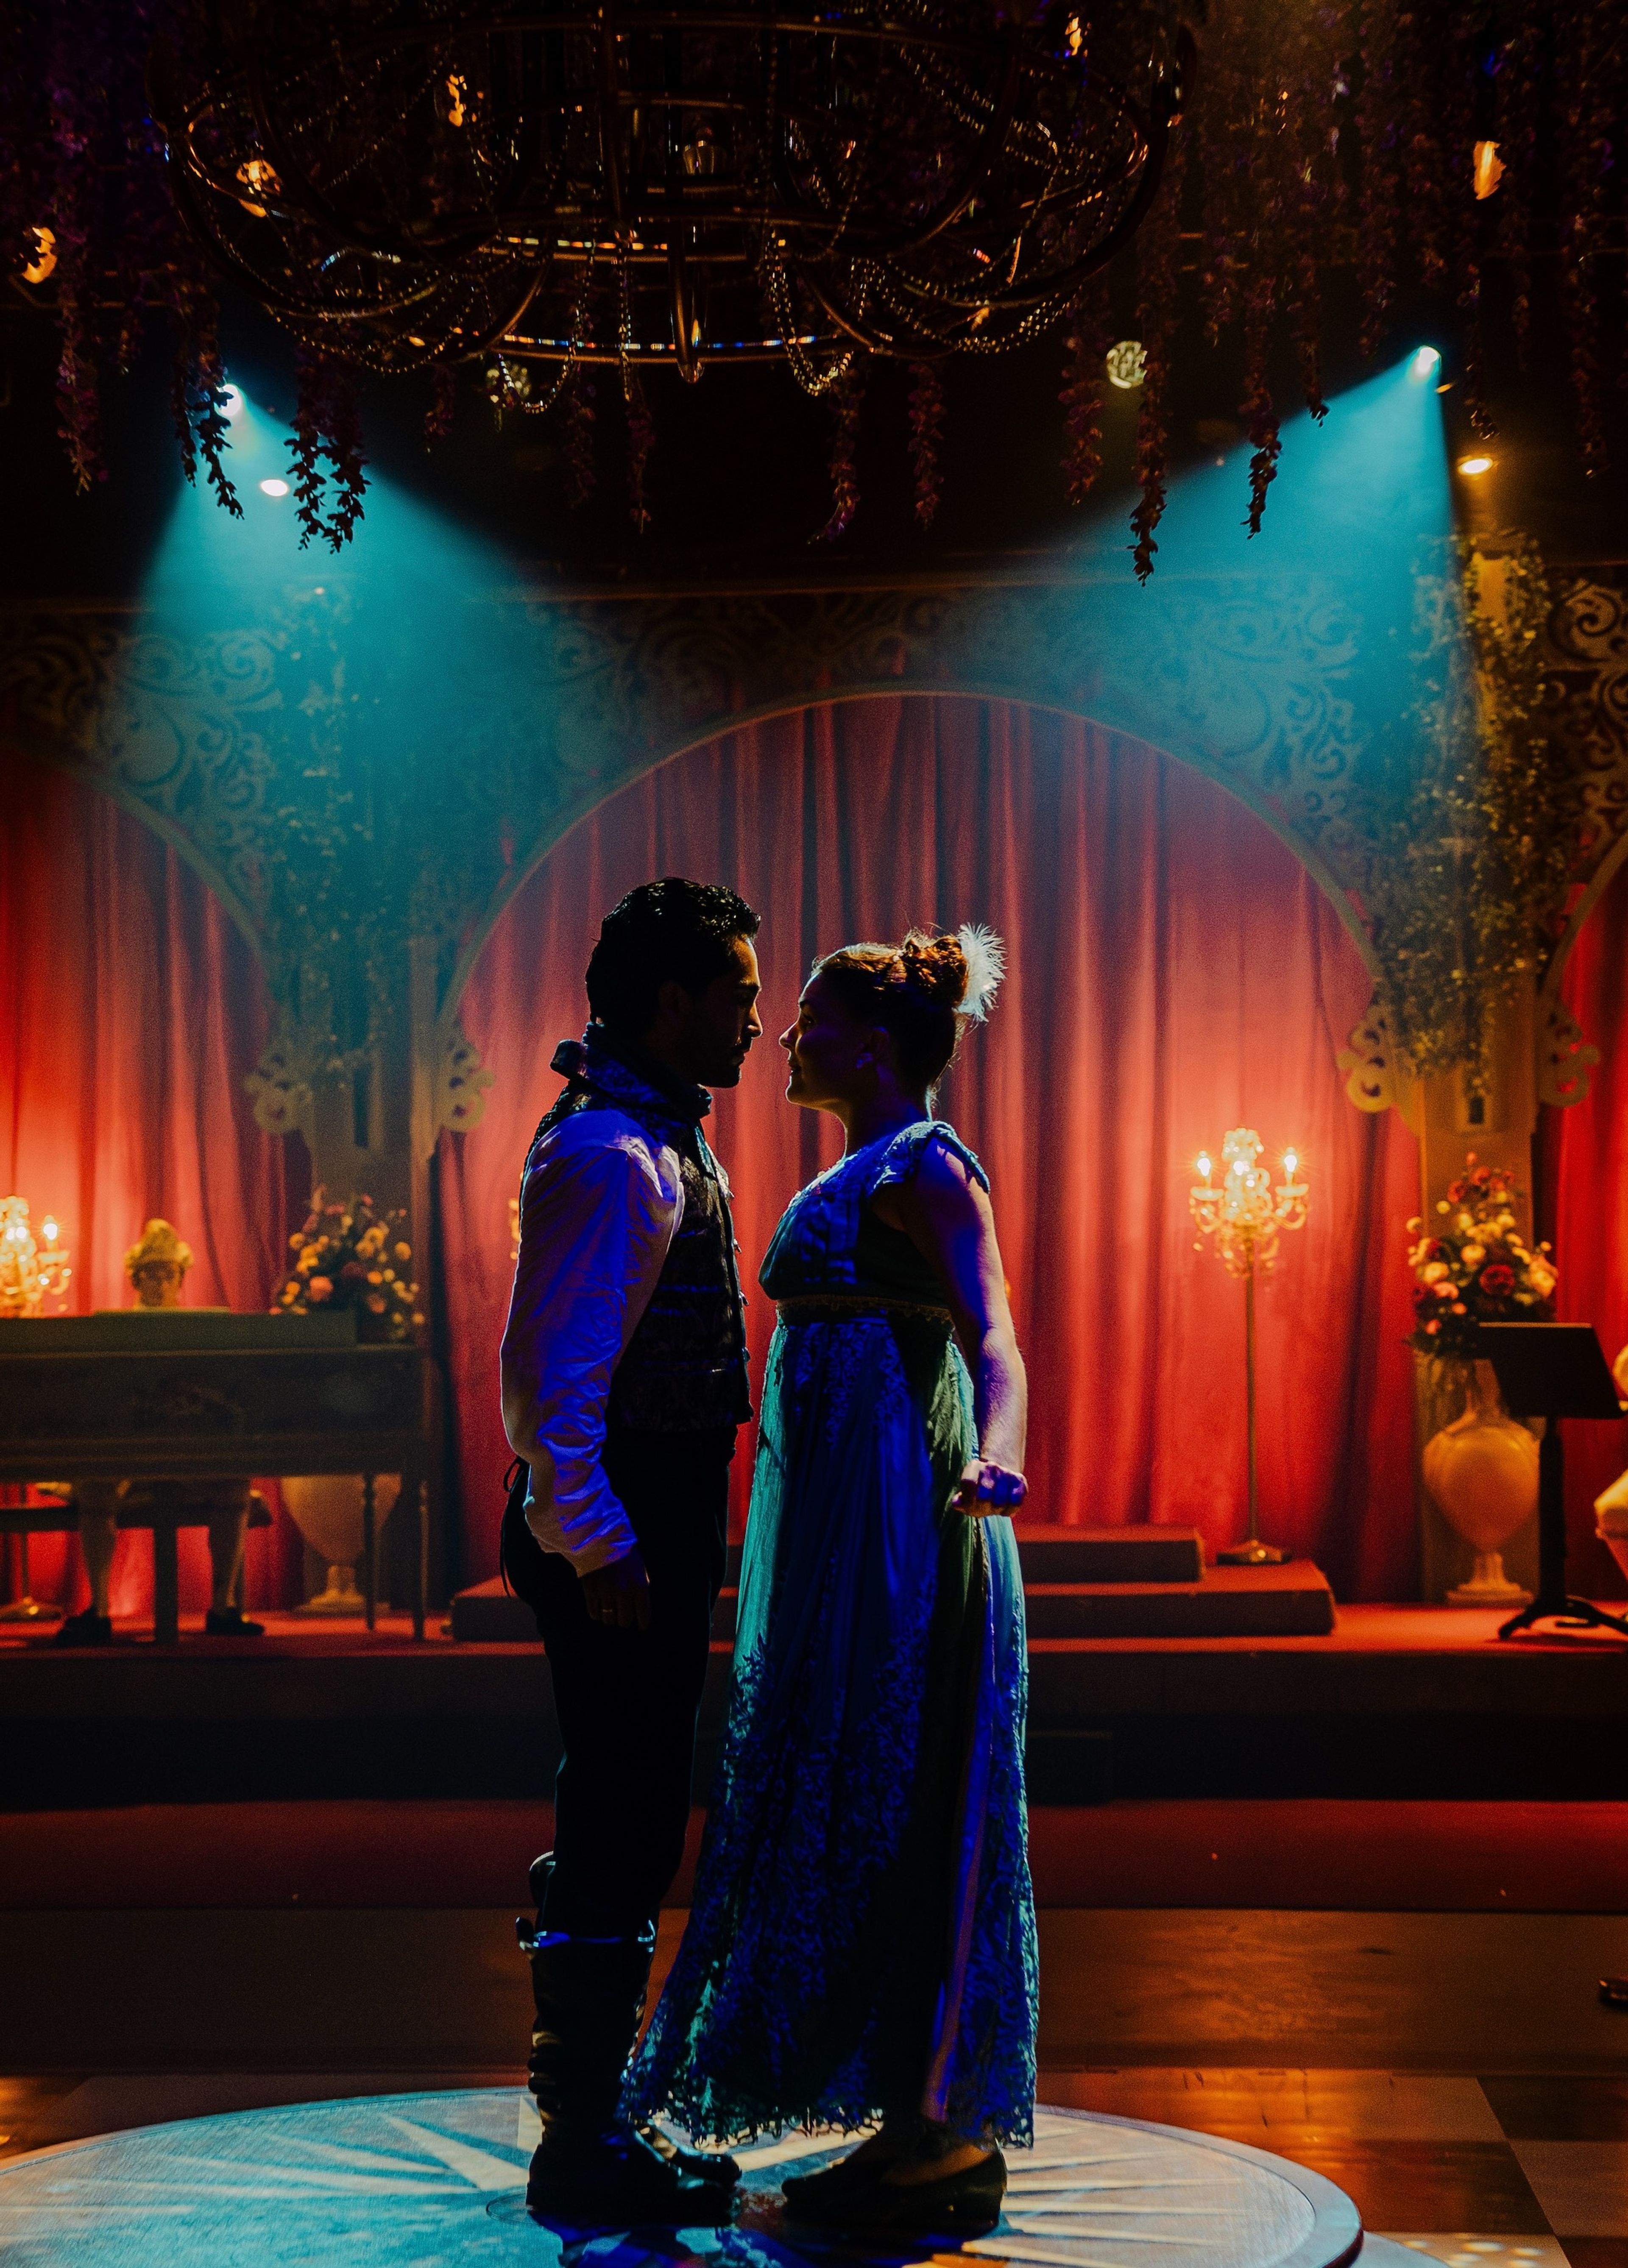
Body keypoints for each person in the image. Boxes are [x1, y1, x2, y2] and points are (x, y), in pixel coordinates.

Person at [626, 924, 1037, 2237]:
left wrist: (1001, 1464)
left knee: (907, 1783)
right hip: (830, 1534)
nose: (784, 1035)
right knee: (845, 1782)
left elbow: (996, 1341)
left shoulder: (927, 1165)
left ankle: (937, 2123)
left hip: (904, 1531)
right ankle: (895, 2103)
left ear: (867, 1040)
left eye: (803, 1014)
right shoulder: (859, 1166)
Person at [499, 877, 764, 2225]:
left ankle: (597, 2119)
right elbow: (552, 1371)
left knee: (630, 1807)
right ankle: (583, 2142)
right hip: (618, 1524)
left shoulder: (655, 1132)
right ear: (671, 1001)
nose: (755, 1022)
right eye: (737, 996)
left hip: (649, 1517)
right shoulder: (612, 1148)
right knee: (618, 1815)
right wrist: (602, 1544)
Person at [53, 1219, 262, 1646]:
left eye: (167, 1272)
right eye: (150, 1272)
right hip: (127, 1461)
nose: (159, 1280)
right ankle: (100, 1609)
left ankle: (222, 1607)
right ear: (135, 1278)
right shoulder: (111, 1333)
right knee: (95, 1484)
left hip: (188, 1459)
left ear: (181, 1278)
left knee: (235, 1482)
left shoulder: (204, 1333)